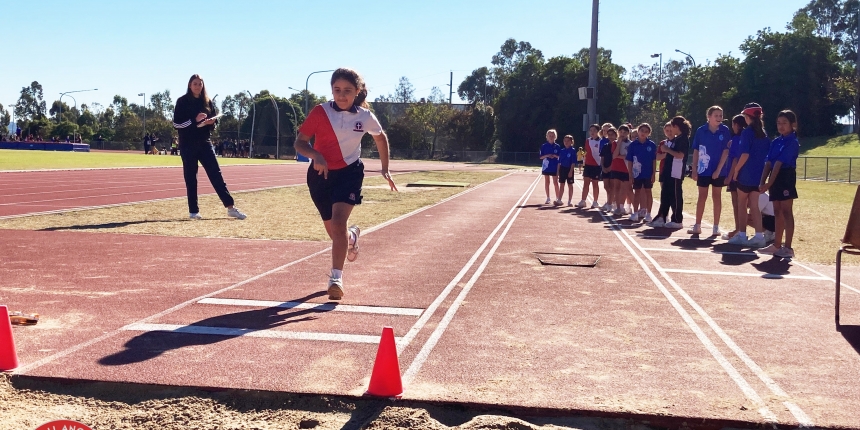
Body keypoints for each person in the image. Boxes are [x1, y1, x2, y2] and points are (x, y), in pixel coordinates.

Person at [294, 68, 398, 301]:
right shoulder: (320, 112)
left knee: (339, 223)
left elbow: (380, 138)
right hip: (320, 175)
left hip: (349, 173)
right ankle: (352, 237)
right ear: (331, 90)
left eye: (347, 91)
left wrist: (385, 168)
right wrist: (315, 155)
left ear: (357, 92)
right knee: (335, 232)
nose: (341, 96)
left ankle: (336, 278)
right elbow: (300, 143)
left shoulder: (365, 117)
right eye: (337, 90)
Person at [173, 73, 247, 221]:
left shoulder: (207, 101)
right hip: (188, 144)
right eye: (195, 83)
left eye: (200, 84)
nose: (198, 86)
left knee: (216, 175)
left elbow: (214, 122)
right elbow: (176, 124)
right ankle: (193, 211)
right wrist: (194, 121)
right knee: (191, 178)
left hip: (205, 143)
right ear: (189, 85)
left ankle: (230, 207)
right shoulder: (182, 101)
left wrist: (211, 122)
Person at [727, 103, 770, 248]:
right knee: (754, 206)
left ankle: (742, 235)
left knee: (741, 204)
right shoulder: (764, 134)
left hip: (746, 173)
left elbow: (744, 154)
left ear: (747, 117)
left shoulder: (747, 133)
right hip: (758, 175)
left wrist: (736, 170)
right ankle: (759, 236)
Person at [759, 110, 799, 258]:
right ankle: (777, 245)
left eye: (785, 123)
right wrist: (762, 181)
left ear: (792, 124)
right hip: (774, 177)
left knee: (786, 211)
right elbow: (768, 162)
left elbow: (778, 164)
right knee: (777, 211)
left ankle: (788, 247)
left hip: (785, 176)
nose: (781, 126)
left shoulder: (792, 142)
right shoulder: (776, 141)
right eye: (779, 123)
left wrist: (768, 184)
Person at [689, 106, 731, 236]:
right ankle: (697, 225)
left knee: (716, 196)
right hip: (703, 169)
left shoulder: (725, 131)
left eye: (720, 115)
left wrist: (718, 170)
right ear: (709, 117)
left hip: (719, 170)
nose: (719, 118)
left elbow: (726, 151)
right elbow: (696, 150)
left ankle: (716, 227)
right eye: (716, 115)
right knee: (702, 196)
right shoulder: (701, 131)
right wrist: (694, 169)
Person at [650, 116, 690, 229]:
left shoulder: (683, 139)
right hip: (668, 171)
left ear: (676, 127)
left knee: (676, 195)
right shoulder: (677, 138)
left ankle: (677, 219)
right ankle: (661, 217)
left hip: (676, 172)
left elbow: (680, 155)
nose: (671, 130)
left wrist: (667, 150)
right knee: (665, 194)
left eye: (672, 127)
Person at [721, 115, 749, 240]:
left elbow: (735, 159)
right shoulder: (739, 138)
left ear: (737, 125)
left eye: (733, 124)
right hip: (741, 175)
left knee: (738, 204)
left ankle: (739, 229)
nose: (732, 127)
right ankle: (738, 228)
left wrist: (730, 177)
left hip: (736, 177)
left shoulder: (738, 139)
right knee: (739, 204)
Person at [626, 123, 657, 223]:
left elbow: (653, 160)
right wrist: (630, 173)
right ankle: (635, 213)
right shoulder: (632, 145)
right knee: (637, 192)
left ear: (649, 133)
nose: (643, 133)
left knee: (648, 192)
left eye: (646, 131)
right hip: (636, 173)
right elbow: (630, 161)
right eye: (642, 131)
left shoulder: (651, 145)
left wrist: (653, 173)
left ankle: (648, 214)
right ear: (638, 131)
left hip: (648, 173)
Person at [576, 124, 602, 208]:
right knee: (586, 183)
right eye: (591, 130)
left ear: (598, 131)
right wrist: (584, 160)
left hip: (597, 165)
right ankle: (583, 201)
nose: (592, 132)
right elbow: (586, 151)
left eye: (594, 130)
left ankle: (595, 202)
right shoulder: (587, 140)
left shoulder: (601, 141)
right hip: (588, 165)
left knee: (595, 183)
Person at [610, 125, 634, 216]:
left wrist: (621, 156)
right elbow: (614, 155)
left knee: (626, 188)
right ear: (618, 132)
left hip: (627, 168)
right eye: (621, 132)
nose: (622, 134)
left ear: (628, 133)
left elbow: (629, 156)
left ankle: (624, 206)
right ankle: (618, 207)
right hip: (616, 167)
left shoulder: (631, 144)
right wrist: (619, 142)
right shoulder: (615, 143)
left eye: (625, 132)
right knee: (616, 187)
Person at [539, 129, 562, 205]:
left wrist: (555, 156)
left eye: (553, 136)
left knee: (555, 182)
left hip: (554, 166)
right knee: (547, 181)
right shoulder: (544, 146)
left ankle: (558, 198)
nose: (551, 137)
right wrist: (547, 155)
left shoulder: (557, 146)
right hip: (546, 166)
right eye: (550, 136)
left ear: (555, 137)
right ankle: (548, 197)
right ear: (547, 137)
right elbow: (541, 157)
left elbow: (560, 157)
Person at [599, 123, 615, 211]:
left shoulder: (616, 144)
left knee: (612, 186)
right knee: (606, 186)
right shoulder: (604, 144)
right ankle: (610, 201)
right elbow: (602, 157)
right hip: (605, 168)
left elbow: (615, 157)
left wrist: (610, 167)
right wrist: (603, 167)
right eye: (604, 131)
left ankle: (610, 203)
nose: (610, 136)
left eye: (612, 134)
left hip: (613, 168)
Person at [557, 135, 576, 206]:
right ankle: (559, 199)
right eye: (565, 141)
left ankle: (570, 201)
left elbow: (573, 162)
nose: (566, 142)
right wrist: (558, 172)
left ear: (571, 142)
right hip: (562, 169)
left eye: (568, 141)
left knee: (570, 185)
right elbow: (559, 162)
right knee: (562, 184)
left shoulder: (573, 150)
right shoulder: (562, 151)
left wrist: (571, 171)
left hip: (569, 169)